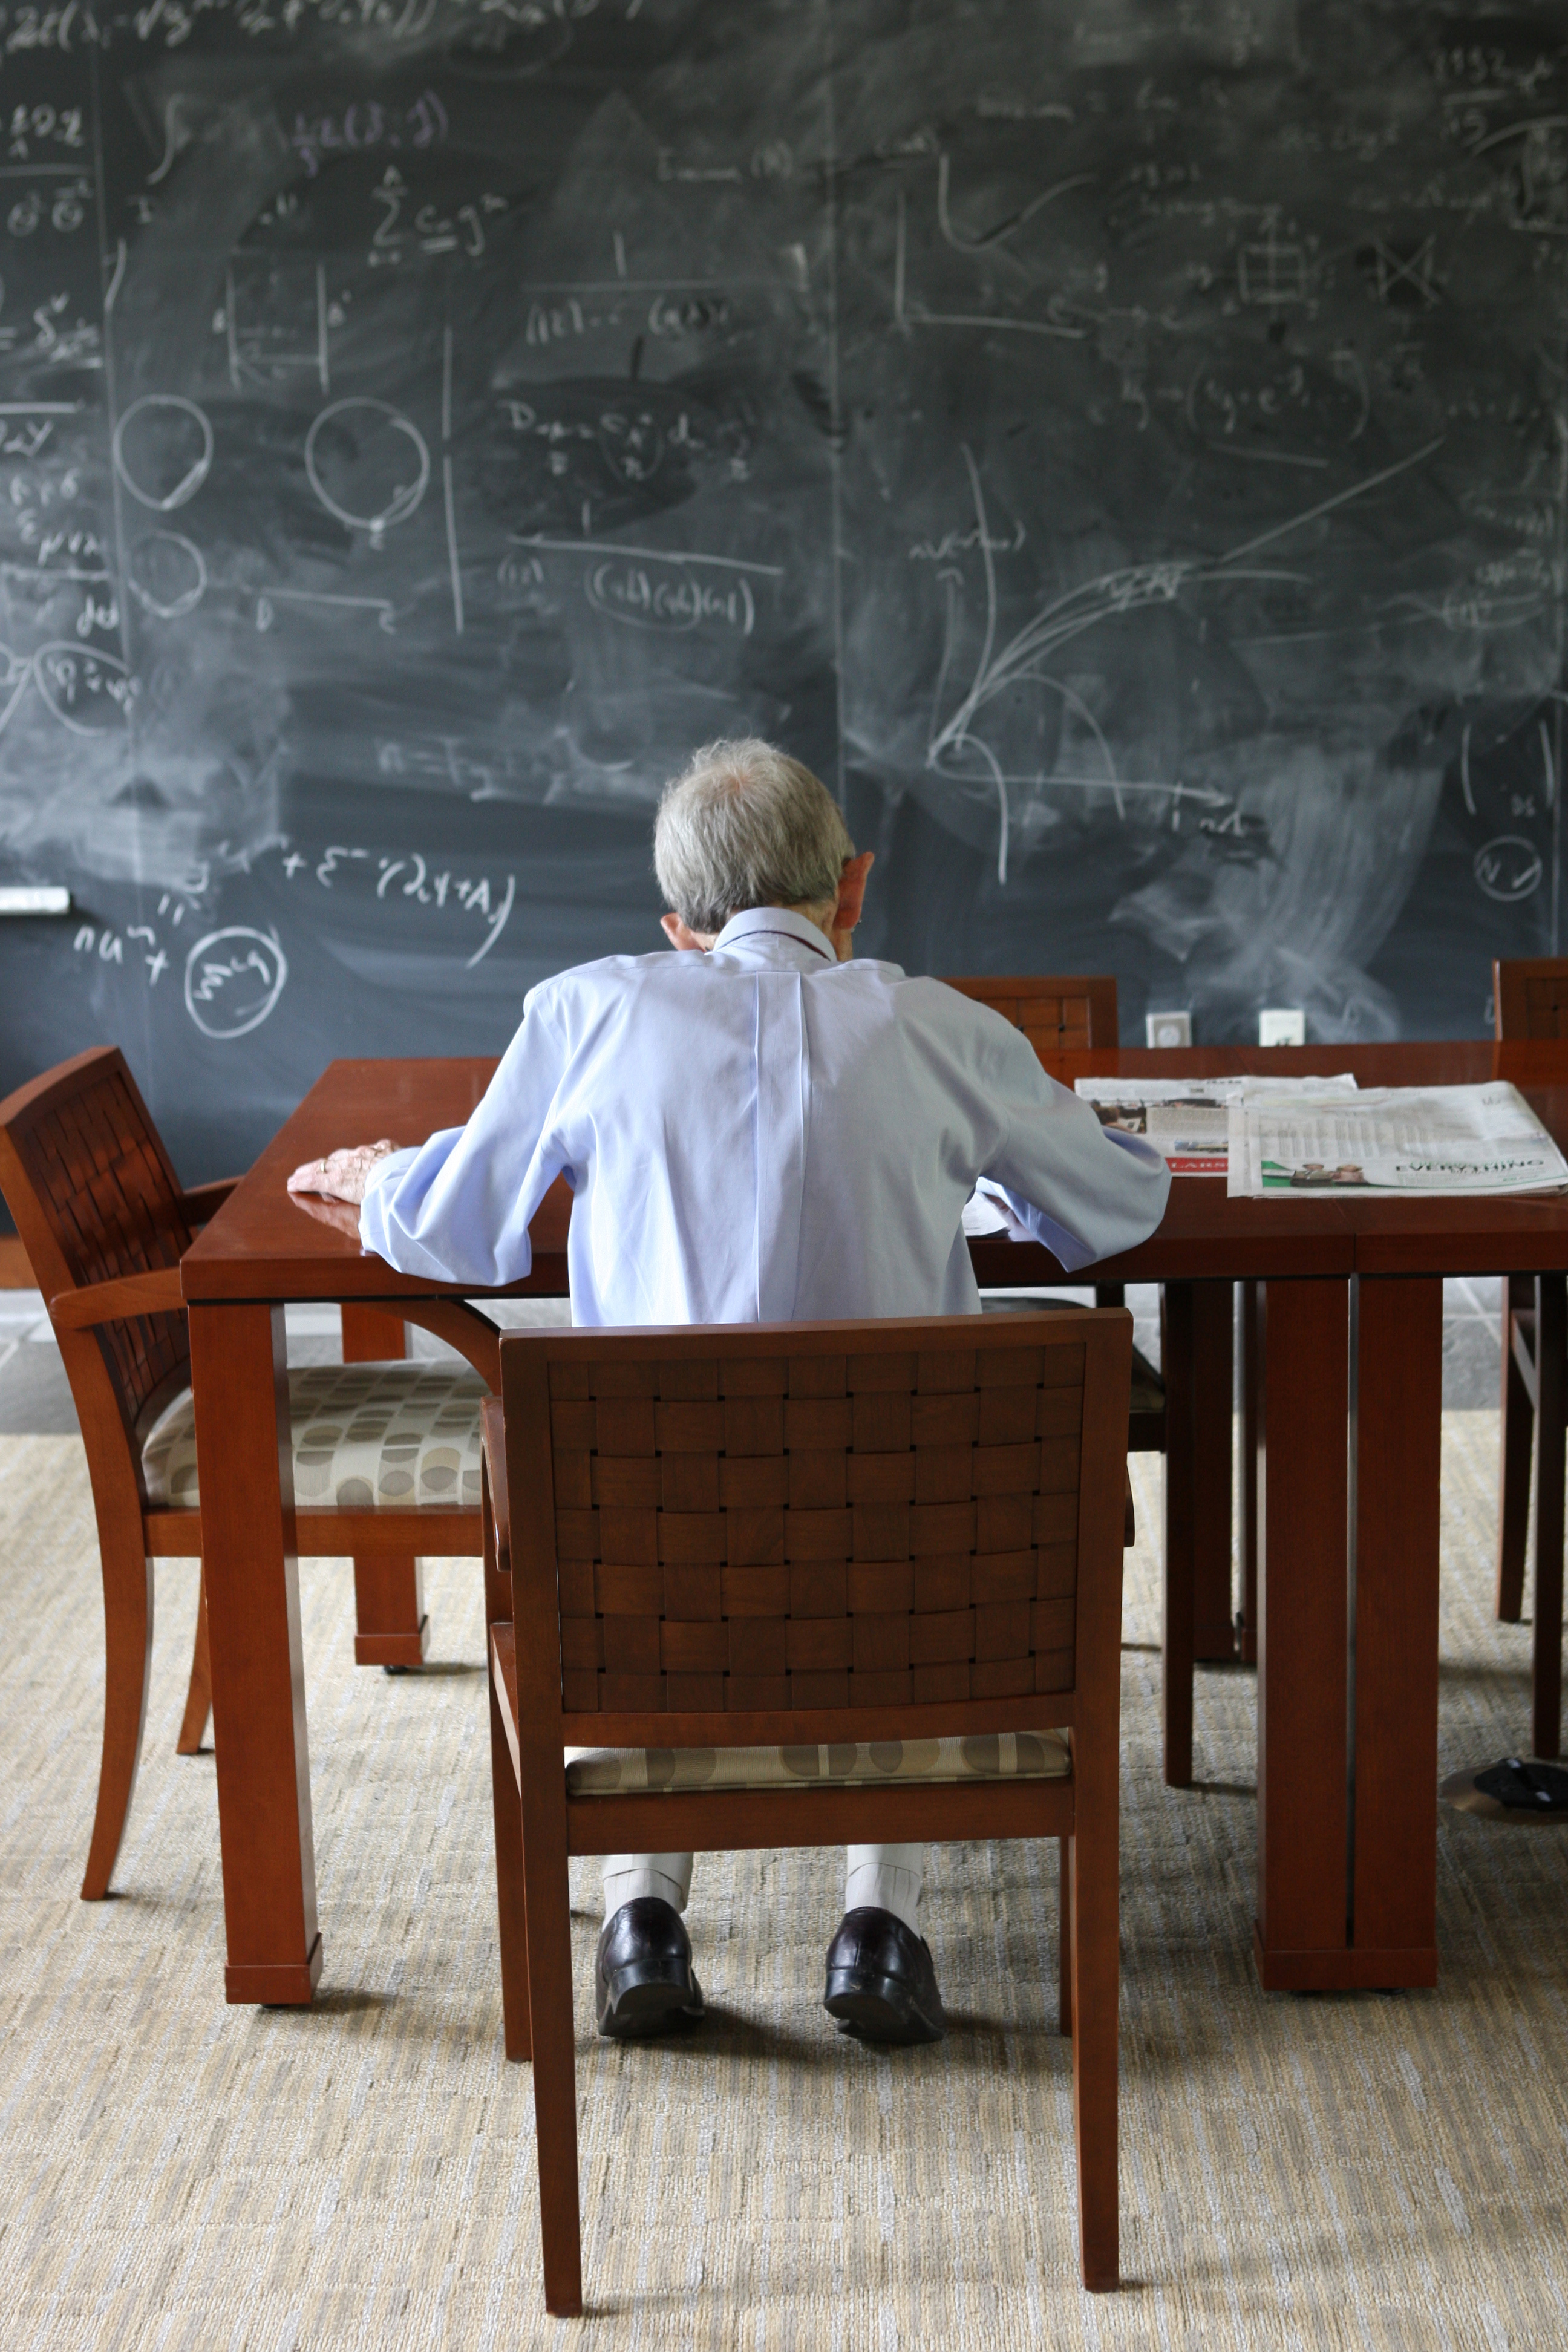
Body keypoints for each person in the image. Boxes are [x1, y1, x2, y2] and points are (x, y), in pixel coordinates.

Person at [289, 738, 1170, 2045]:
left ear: (677, 928)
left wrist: (385, 1184)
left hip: (653, 1582)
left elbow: (459, 1232)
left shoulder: (584, 1015)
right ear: (854, 889)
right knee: (883, 1490)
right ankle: (881, 1930)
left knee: (680, 1500)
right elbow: (1118, 1202)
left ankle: (641, 1910)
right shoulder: (938, 1028)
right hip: (926, 1593)